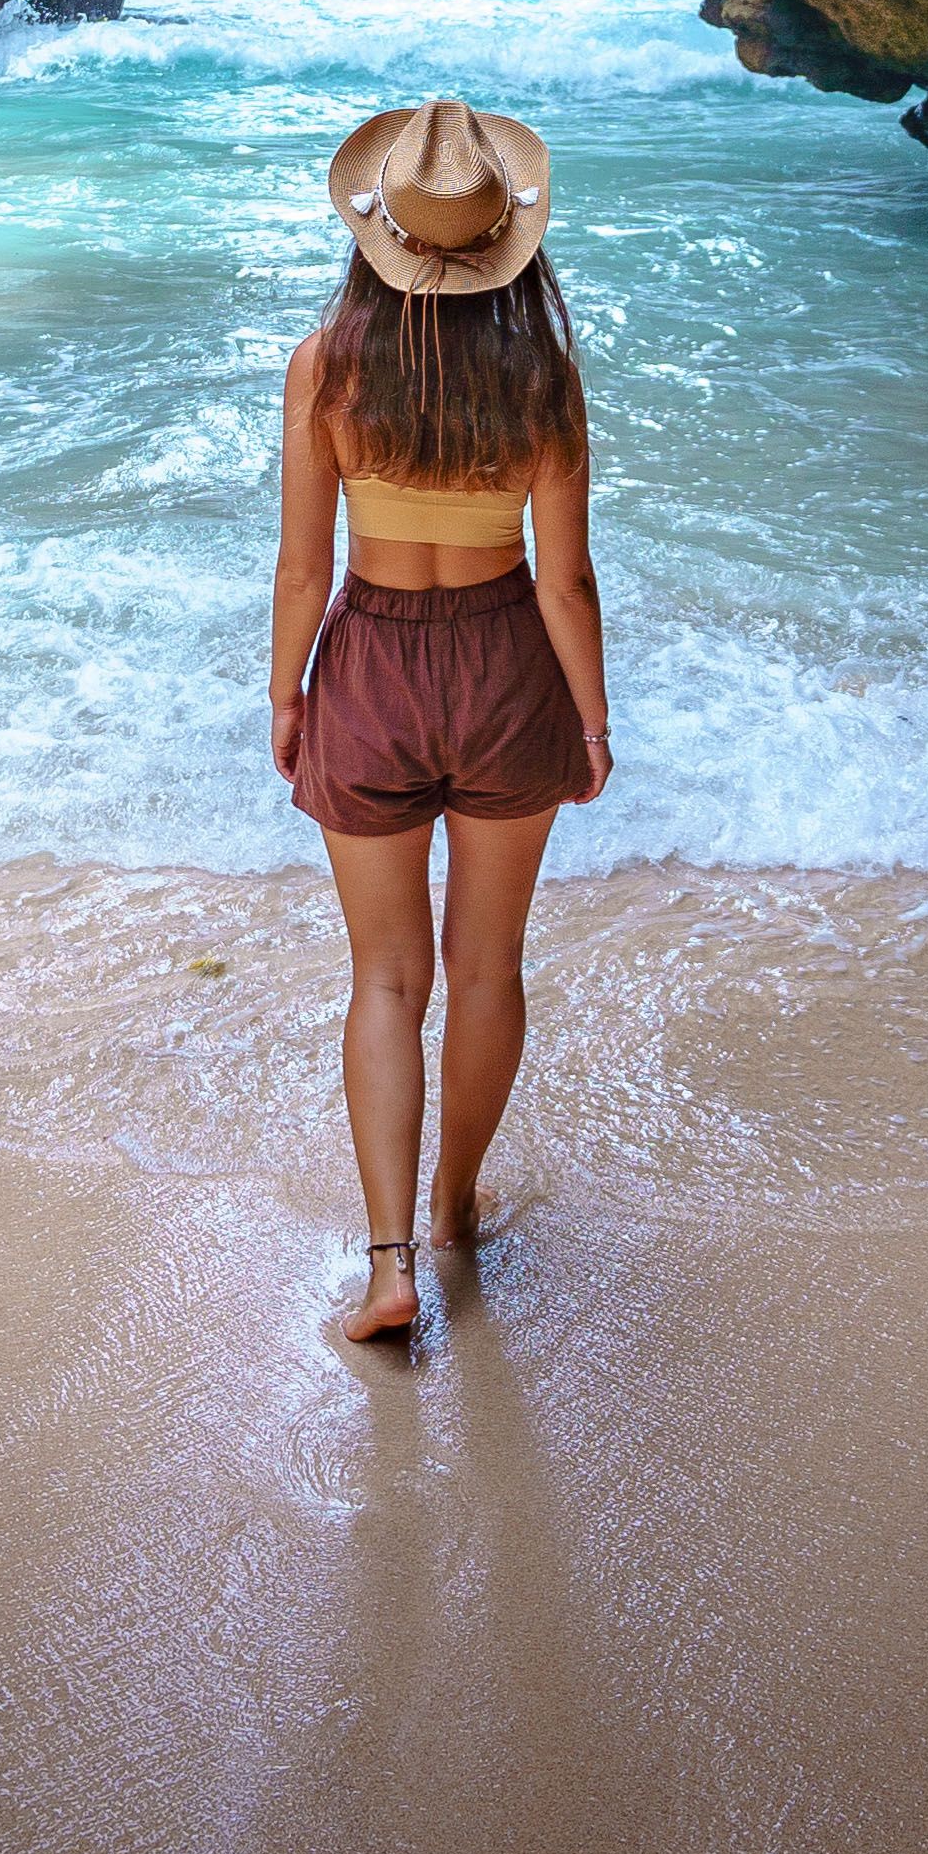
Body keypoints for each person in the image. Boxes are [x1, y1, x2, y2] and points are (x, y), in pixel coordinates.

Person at [271, 94, 611, 1343]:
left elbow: (304, 568)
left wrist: (288, 691)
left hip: (366, 662)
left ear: (382, 235)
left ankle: (389, 1264)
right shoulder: (544, 376)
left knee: (385, 977)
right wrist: (592, 719)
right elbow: (567, 578)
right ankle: (460, 1203)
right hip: (506, 661)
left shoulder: (327, 365)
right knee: (484, 971)